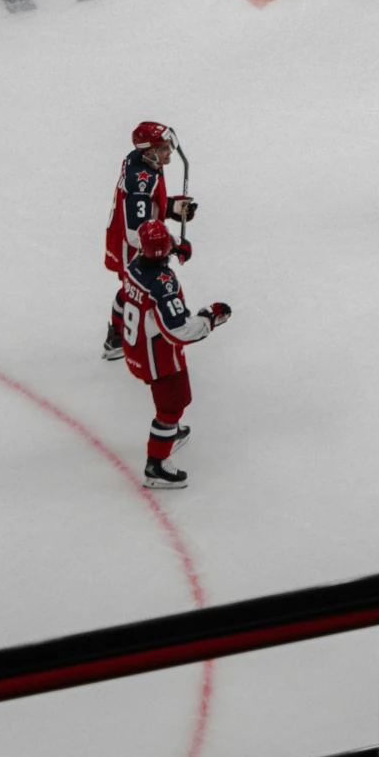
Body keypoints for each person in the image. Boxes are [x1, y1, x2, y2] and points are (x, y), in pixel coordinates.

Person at [120, 218, 230, 490]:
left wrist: (174, 248)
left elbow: (149, 248)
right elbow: (177, 330)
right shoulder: (162, 283)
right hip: (158, 358)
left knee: (173, 404)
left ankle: (170, 433)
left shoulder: (134, 265)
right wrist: (209, 318)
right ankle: (156, 465)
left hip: (135, 346)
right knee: (172, 405)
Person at [102, 120, 198, 358]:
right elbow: (137, 234)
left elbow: (146, 208)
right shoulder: (141, 184)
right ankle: (116, 336)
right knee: (132, 287)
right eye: (164, 147)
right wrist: (175, 244)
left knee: (134, 287)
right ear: (149, 151)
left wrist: (171, 207)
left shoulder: (143, 162)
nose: (170, 152)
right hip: (132, 246)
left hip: (129, 235)